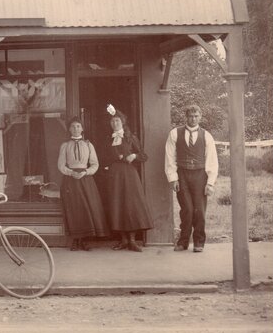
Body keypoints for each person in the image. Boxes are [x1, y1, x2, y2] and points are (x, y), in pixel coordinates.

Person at [164, 104, 219, 253]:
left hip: (200, 175)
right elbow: (170, 158)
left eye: (196, 116)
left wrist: (210, 183)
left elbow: (212, 160)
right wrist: (173, 178)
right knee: (187, 209)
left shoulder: (206, 135)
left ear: (200, 117)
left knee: (199, 210)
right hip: (182, 175)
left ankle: (199, 242)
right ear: (186, 117)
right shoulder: (175, 134)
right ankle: (183, 242)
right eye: (190, 116)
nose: (193, 119)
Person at [97, 106, 153, 252]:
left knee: (131, 206)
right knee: (117, 206)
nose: (115, 123)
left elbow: (143, 155)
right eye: (112, 121)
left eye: (117, 120)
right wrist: (109, 164)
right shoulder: (107, 139)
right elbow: (102, 158)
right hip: (114, 176)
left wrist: (133, 156)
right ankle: (123, 240)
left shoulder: (130, 137)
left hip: (129, 175)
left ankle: (132, 241)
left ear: (122, 122)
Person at [57, 118, 108, 251]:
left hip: (85, 179)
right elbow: (61, 165)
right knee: (74, 209)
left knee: (86, 209)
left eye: (78, 126)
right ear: (69, 129)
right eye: (73, 126)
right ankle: (75, 240)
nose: (75, 129)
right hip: (70, 180)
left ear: (82, 129)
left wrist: (85, 172)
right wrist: (70, 172)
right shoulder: (65, 145)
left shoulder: (88, 145)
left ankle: (85, 240)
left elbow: (95, 164)